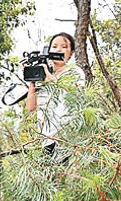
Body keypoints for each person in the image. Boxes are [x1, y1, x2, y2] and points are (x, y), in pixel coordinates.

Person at [25, 32, 85, 160]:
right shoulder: (44, 75)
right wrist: (32, 78)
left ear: (71, 53)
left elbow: (73, 94)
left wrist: (50, 78)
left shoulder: (75, 72)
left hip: (67, 138)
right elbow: (31, 107)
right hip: (46, 140)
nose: (58, 49)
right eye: (55, 46)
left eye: (64, 47)